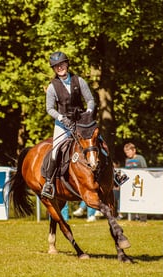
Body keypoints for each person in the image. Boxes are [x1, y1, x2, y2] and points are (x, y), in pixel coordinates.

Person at [41, 51, 95, 199]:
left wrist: (89, 111)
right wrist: (61, 118)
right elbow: (49, 109)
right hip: (62, 124)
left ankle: (115, 174)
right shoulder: (52, 87)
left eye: (61, 64)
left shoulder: (79, 80)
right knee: (55, 150)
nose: (60, 68)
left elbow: (90, 99)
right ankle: (49, 183)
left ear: (67, 64)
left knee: (96, 141)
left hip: (81, 121)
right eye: (56, 66)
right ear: (53, 69)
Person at [123, 142, 148, 221]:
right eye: (126, 152)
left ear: (134, 150)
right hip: (131, 184)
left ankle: (143, 218)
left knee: (141, 200)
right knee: (132, 200)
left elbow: (145, 169)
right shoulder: (127, 160)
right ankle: (132, 217)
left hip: (140, 183)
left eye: (128, 151)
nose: (127, 154)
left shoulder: (140, 158)